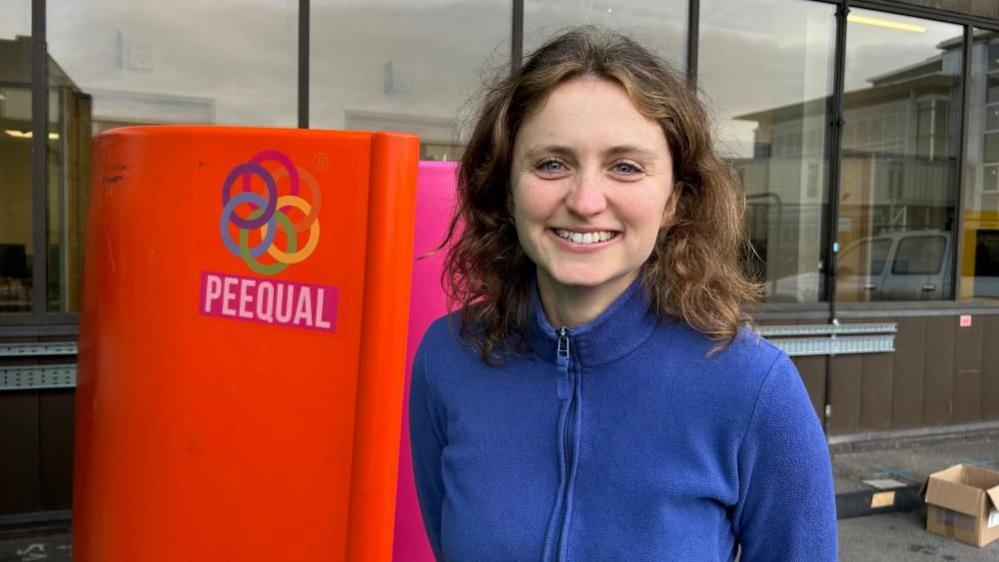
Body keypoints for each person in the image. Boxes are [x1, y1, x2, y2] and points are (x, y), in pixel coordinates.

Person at [409, 27, 837, 561]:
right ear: (508, 191)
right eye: (551, 163)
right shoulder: (447, 359)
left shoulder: (754, 389)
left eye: (626, 167)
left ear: (675, 201)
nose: (586, 200)